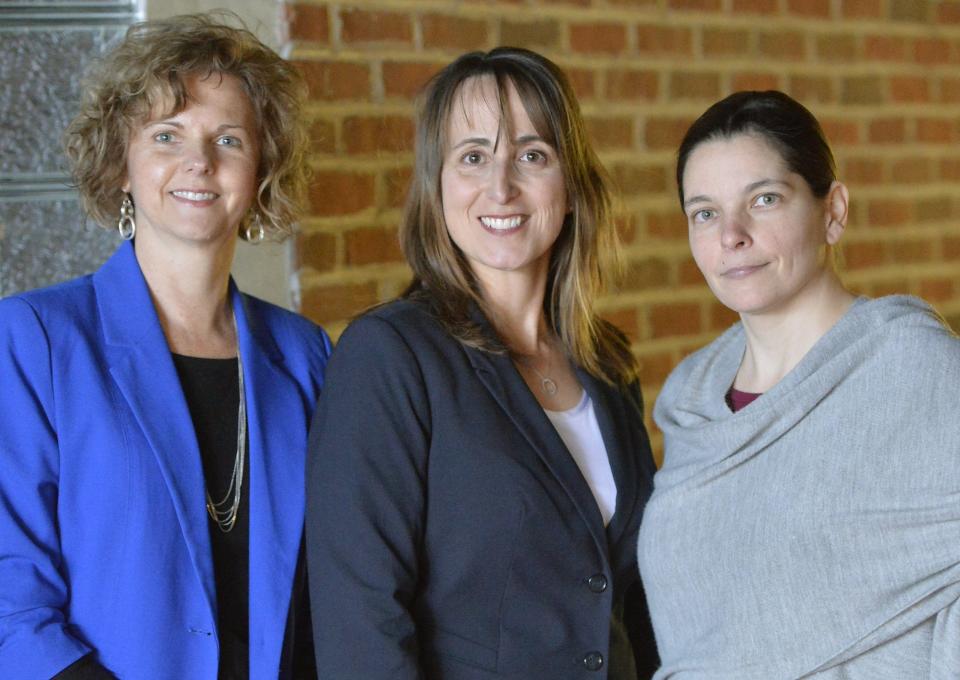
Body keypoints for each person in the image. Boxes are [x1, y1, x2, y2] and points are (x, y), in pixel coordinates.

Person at [306, 47, 659, 679]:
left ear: (571, 185)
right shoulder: (391, 357)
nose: (502, 187)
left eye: (532, 155)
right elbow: (361, 624)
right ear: (437, 187)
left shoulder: (608, 364)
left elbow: (629, 598)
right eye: (473, 157)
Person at [0, 14, 330, 679]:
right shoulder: (34, 340)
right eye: (166, 135)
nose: (199, 163)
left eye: (228, 139)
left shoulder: (304, 354)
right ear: (122, 163)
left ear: (260, 167)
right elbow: (11, 601)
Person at [637, 90, 960, 678]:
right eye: (704, 213)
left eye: (764, 199)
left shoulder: (917, 372)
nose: (731, 234)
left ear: (832, 210)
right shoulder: (691, 399)